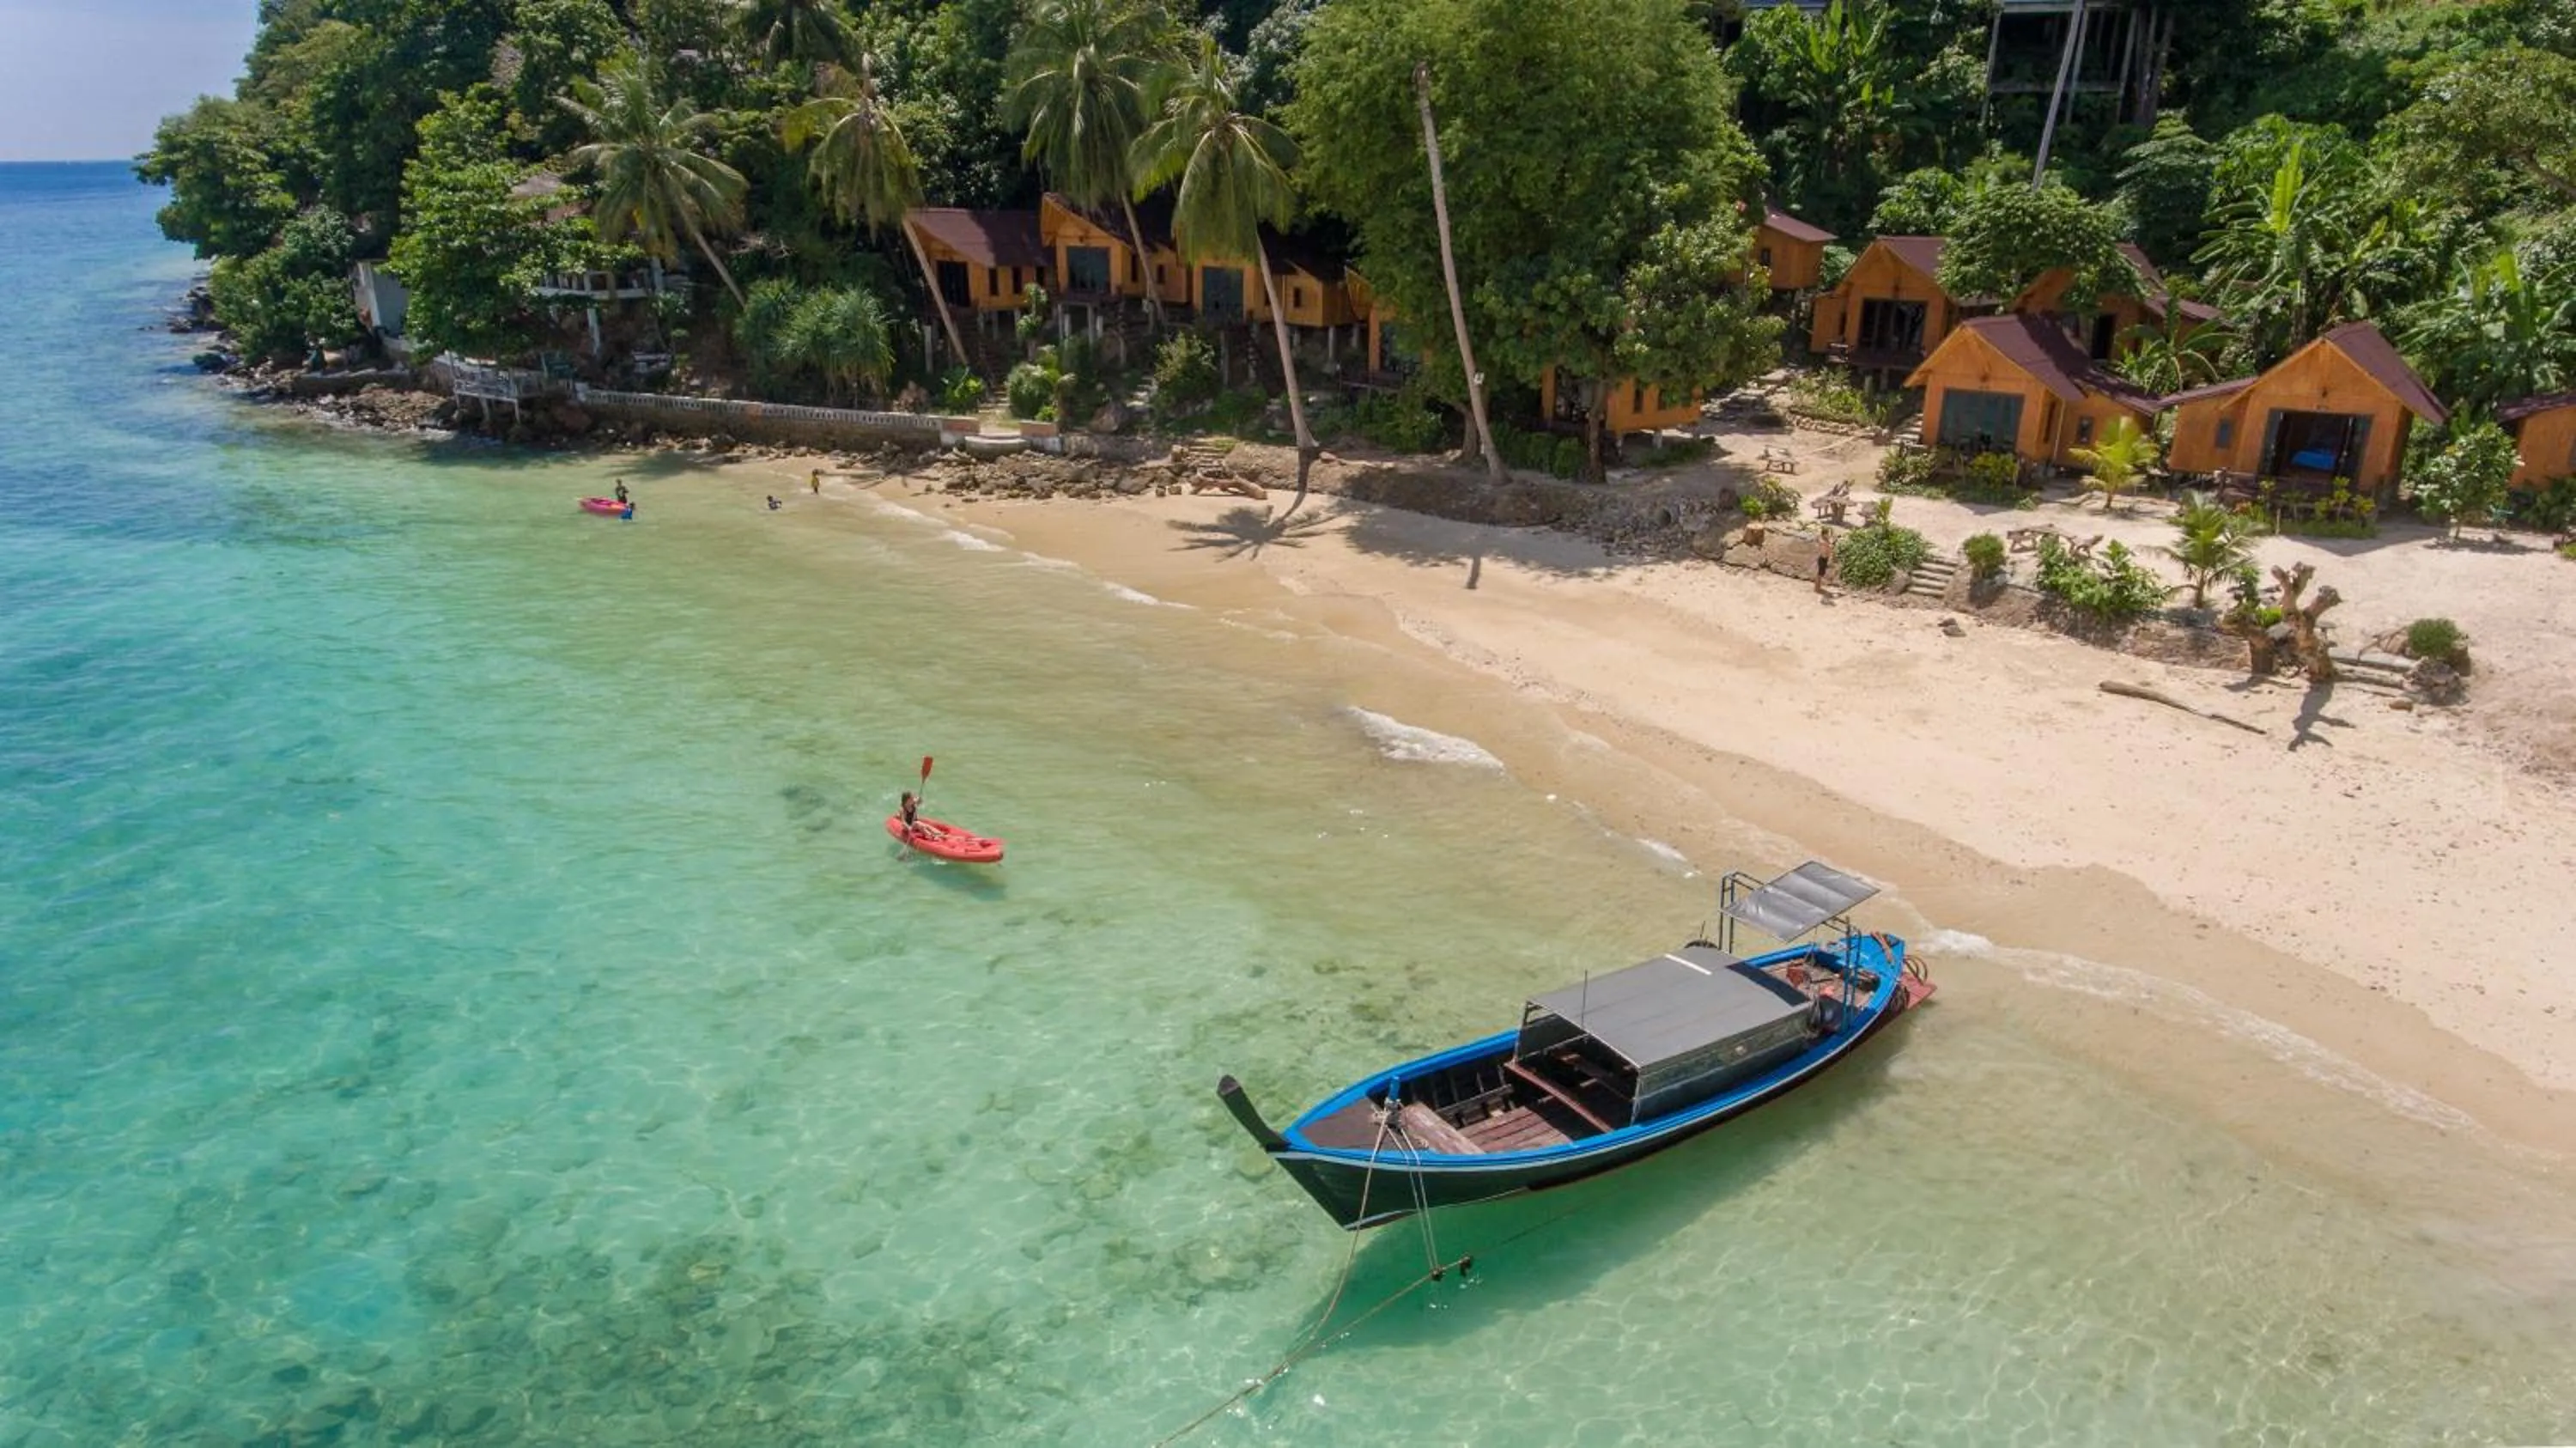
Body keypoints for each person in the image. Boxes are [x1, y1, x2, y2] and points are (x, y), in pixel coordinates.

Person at [1814, 528, 1834, 597]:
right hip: (1822, 558)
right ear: (1824, 534)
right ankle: (1817, 588)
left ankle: (1818, 587)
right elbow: (1822, 542)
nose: (1829, 535)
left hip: (1826, 559)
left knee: (1821, 573)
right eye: (1827, 534)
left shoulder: (1827, 541)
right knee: (1820, 574)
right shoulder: (1822, 541)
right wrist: (1830, 543)